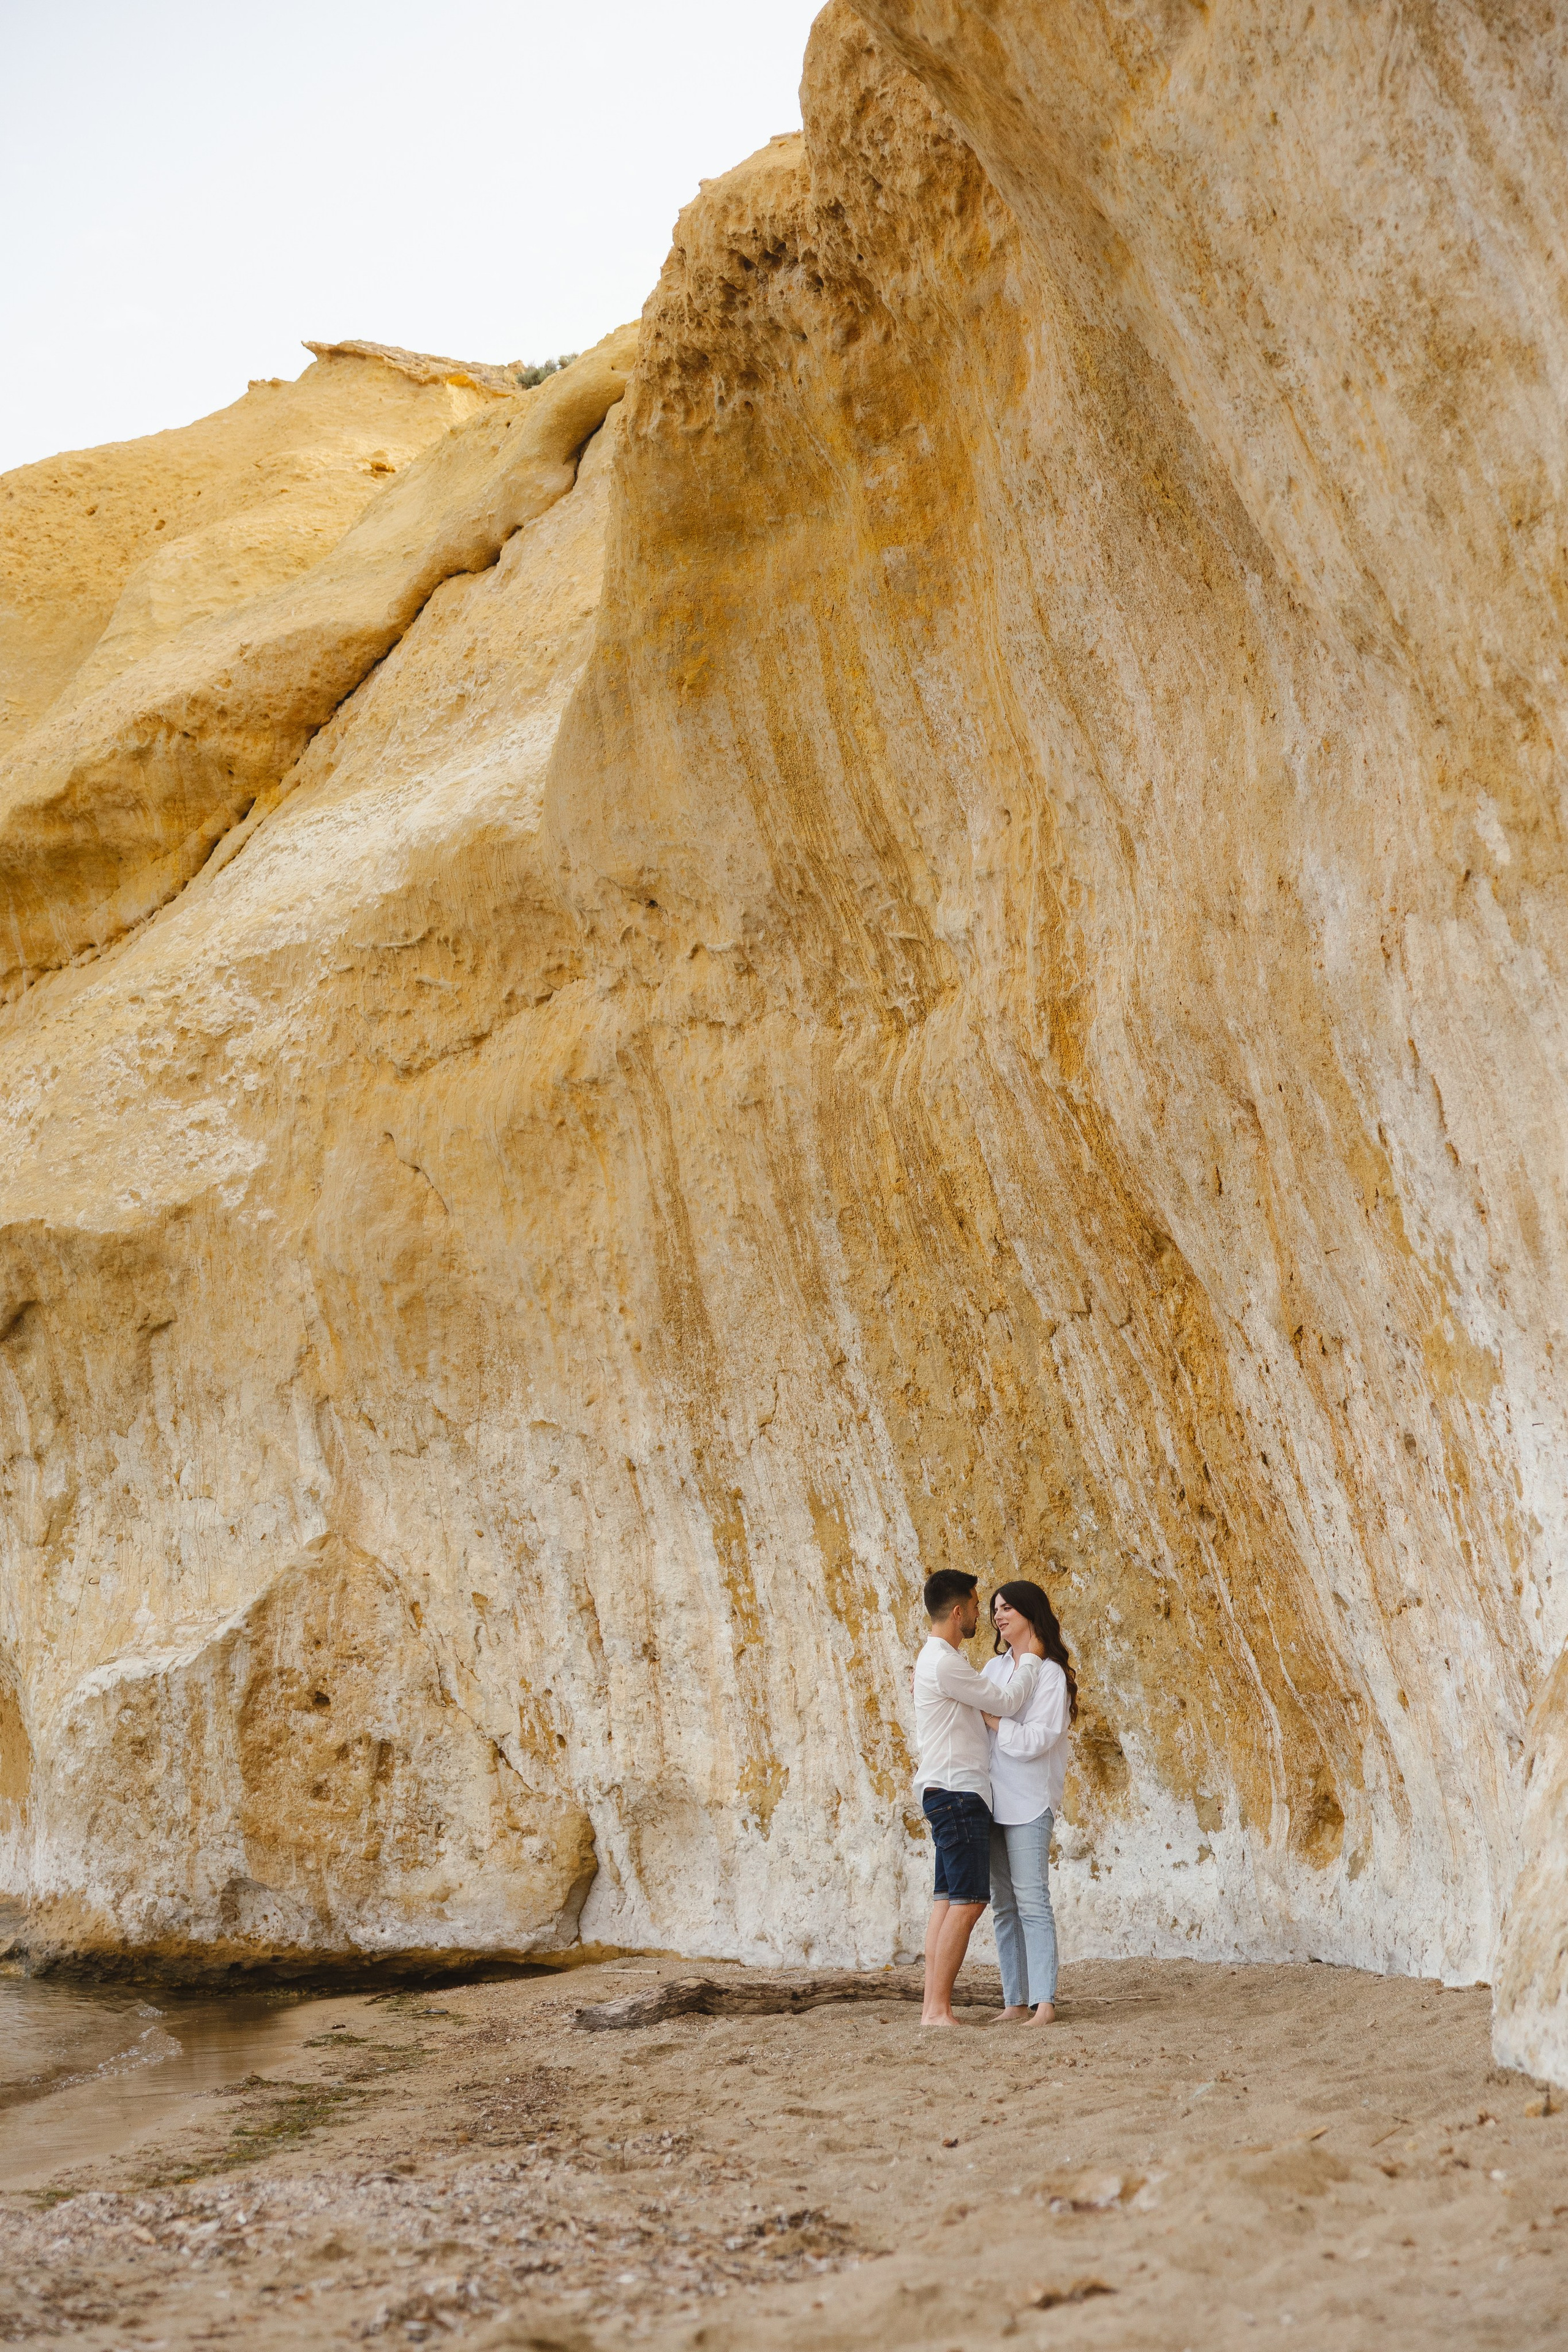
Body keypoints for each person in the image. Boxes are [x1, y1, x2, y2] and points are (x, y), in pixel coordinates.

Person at [913, 1567, 1044, 2028]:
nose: (981, 1615)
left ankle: (933, 2007)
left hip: (942, 1788)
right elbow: (1006, 1703)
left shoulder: (933, 1662)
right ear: (957, 1612)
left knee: (946, 1901)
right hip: (957, 1791)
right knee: (968, 1901)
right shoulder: (946, 1664)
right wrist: (1031, 1658)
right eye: (975, 1605)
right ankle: (937, 2011)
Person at [979, 1580, 1077, 2025]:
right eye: (996, 1609)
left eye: (1008, 1609)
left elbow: (1040, 1739)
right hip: (992, 1799)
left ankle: (1045, 2003)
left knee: (1033, 1901)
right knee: (1004, 1905)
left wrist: (998, 1723)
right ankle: (1014, 2001)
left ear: (1030, 1614)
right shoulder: (994, 1670)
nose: (999, 1616)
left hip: (1030, 1801)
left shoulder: (1051, 1674)